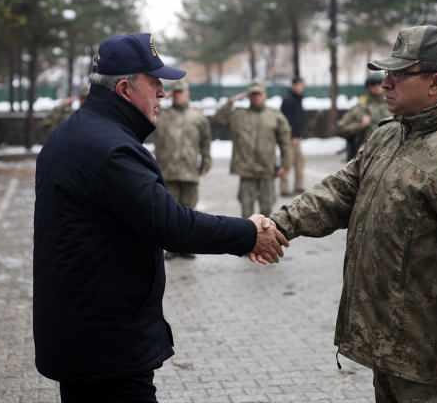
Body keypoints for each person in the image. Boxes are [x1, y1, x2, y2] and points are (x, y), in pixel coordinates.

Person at [270, 25, 437, 403]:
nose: (385, 83)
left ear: (436, 82)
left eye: (398, 74)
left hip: (431, 362)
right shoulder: (390, 136)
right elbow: (341, 191)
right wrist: (279, 224)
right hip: (388, 350)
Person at [33, 33, 288, 403]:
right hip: (107, 347)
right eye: (154, 84)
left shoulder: (75, 134)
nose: (163, 94)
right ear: (124, 88)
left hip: (81, 337)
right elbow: (174, 226)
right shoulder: (111, 150)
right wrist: (249, 233)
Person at [214, 82, 292, 217]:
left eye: (259, 94)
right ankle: (247, 238)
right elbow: (218, 118)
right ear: (248, 96)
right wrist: (231, 101)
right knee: (246, 211)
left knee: (267, 210)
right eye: (253, 94)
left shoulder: (275, 115)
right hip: (246, 171)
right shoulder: (239, 115)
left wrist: (285, 165)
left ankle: (265, 237)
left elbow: (285, 142)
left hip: (267, 170)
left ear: (265, 95)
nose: (256, 97)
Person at [154, 80, 212, 260]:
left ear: (188, 94)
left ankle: (186, 246)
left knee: (189, 211)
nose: (179, 95)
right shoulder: (161, 115)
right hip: (167, 170)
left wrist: (206, 159)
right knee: (169, 212)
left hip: (189, 171)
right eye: (176, 92)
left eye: (182, 92)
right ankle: (171, 247)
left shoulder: (198, 117)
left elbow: (206, 140)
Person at [336, 71, 390, 160]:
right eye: (373, 84)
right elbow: (341, 128)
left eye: (379, 83)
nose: (377, 87)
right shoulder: (361, 107)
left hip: (391, 153)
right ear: (368, 87)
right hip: (367, 154)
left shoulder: (394, 104)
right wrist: (360, 125)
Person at [280, 76, 306, 196]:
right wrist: (292, 136)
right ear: (294, 86)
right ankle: (284, 189)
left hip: (297, 137)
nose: (302, 88)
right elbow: (287, 121)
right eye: (300, 85)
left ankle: (299, 186)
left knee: (299, 162)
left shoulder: (298, 99)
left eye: (303, 85)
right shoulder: (288, 100)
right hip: (289, 138)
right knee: (287, 162)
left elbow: (299, 119)